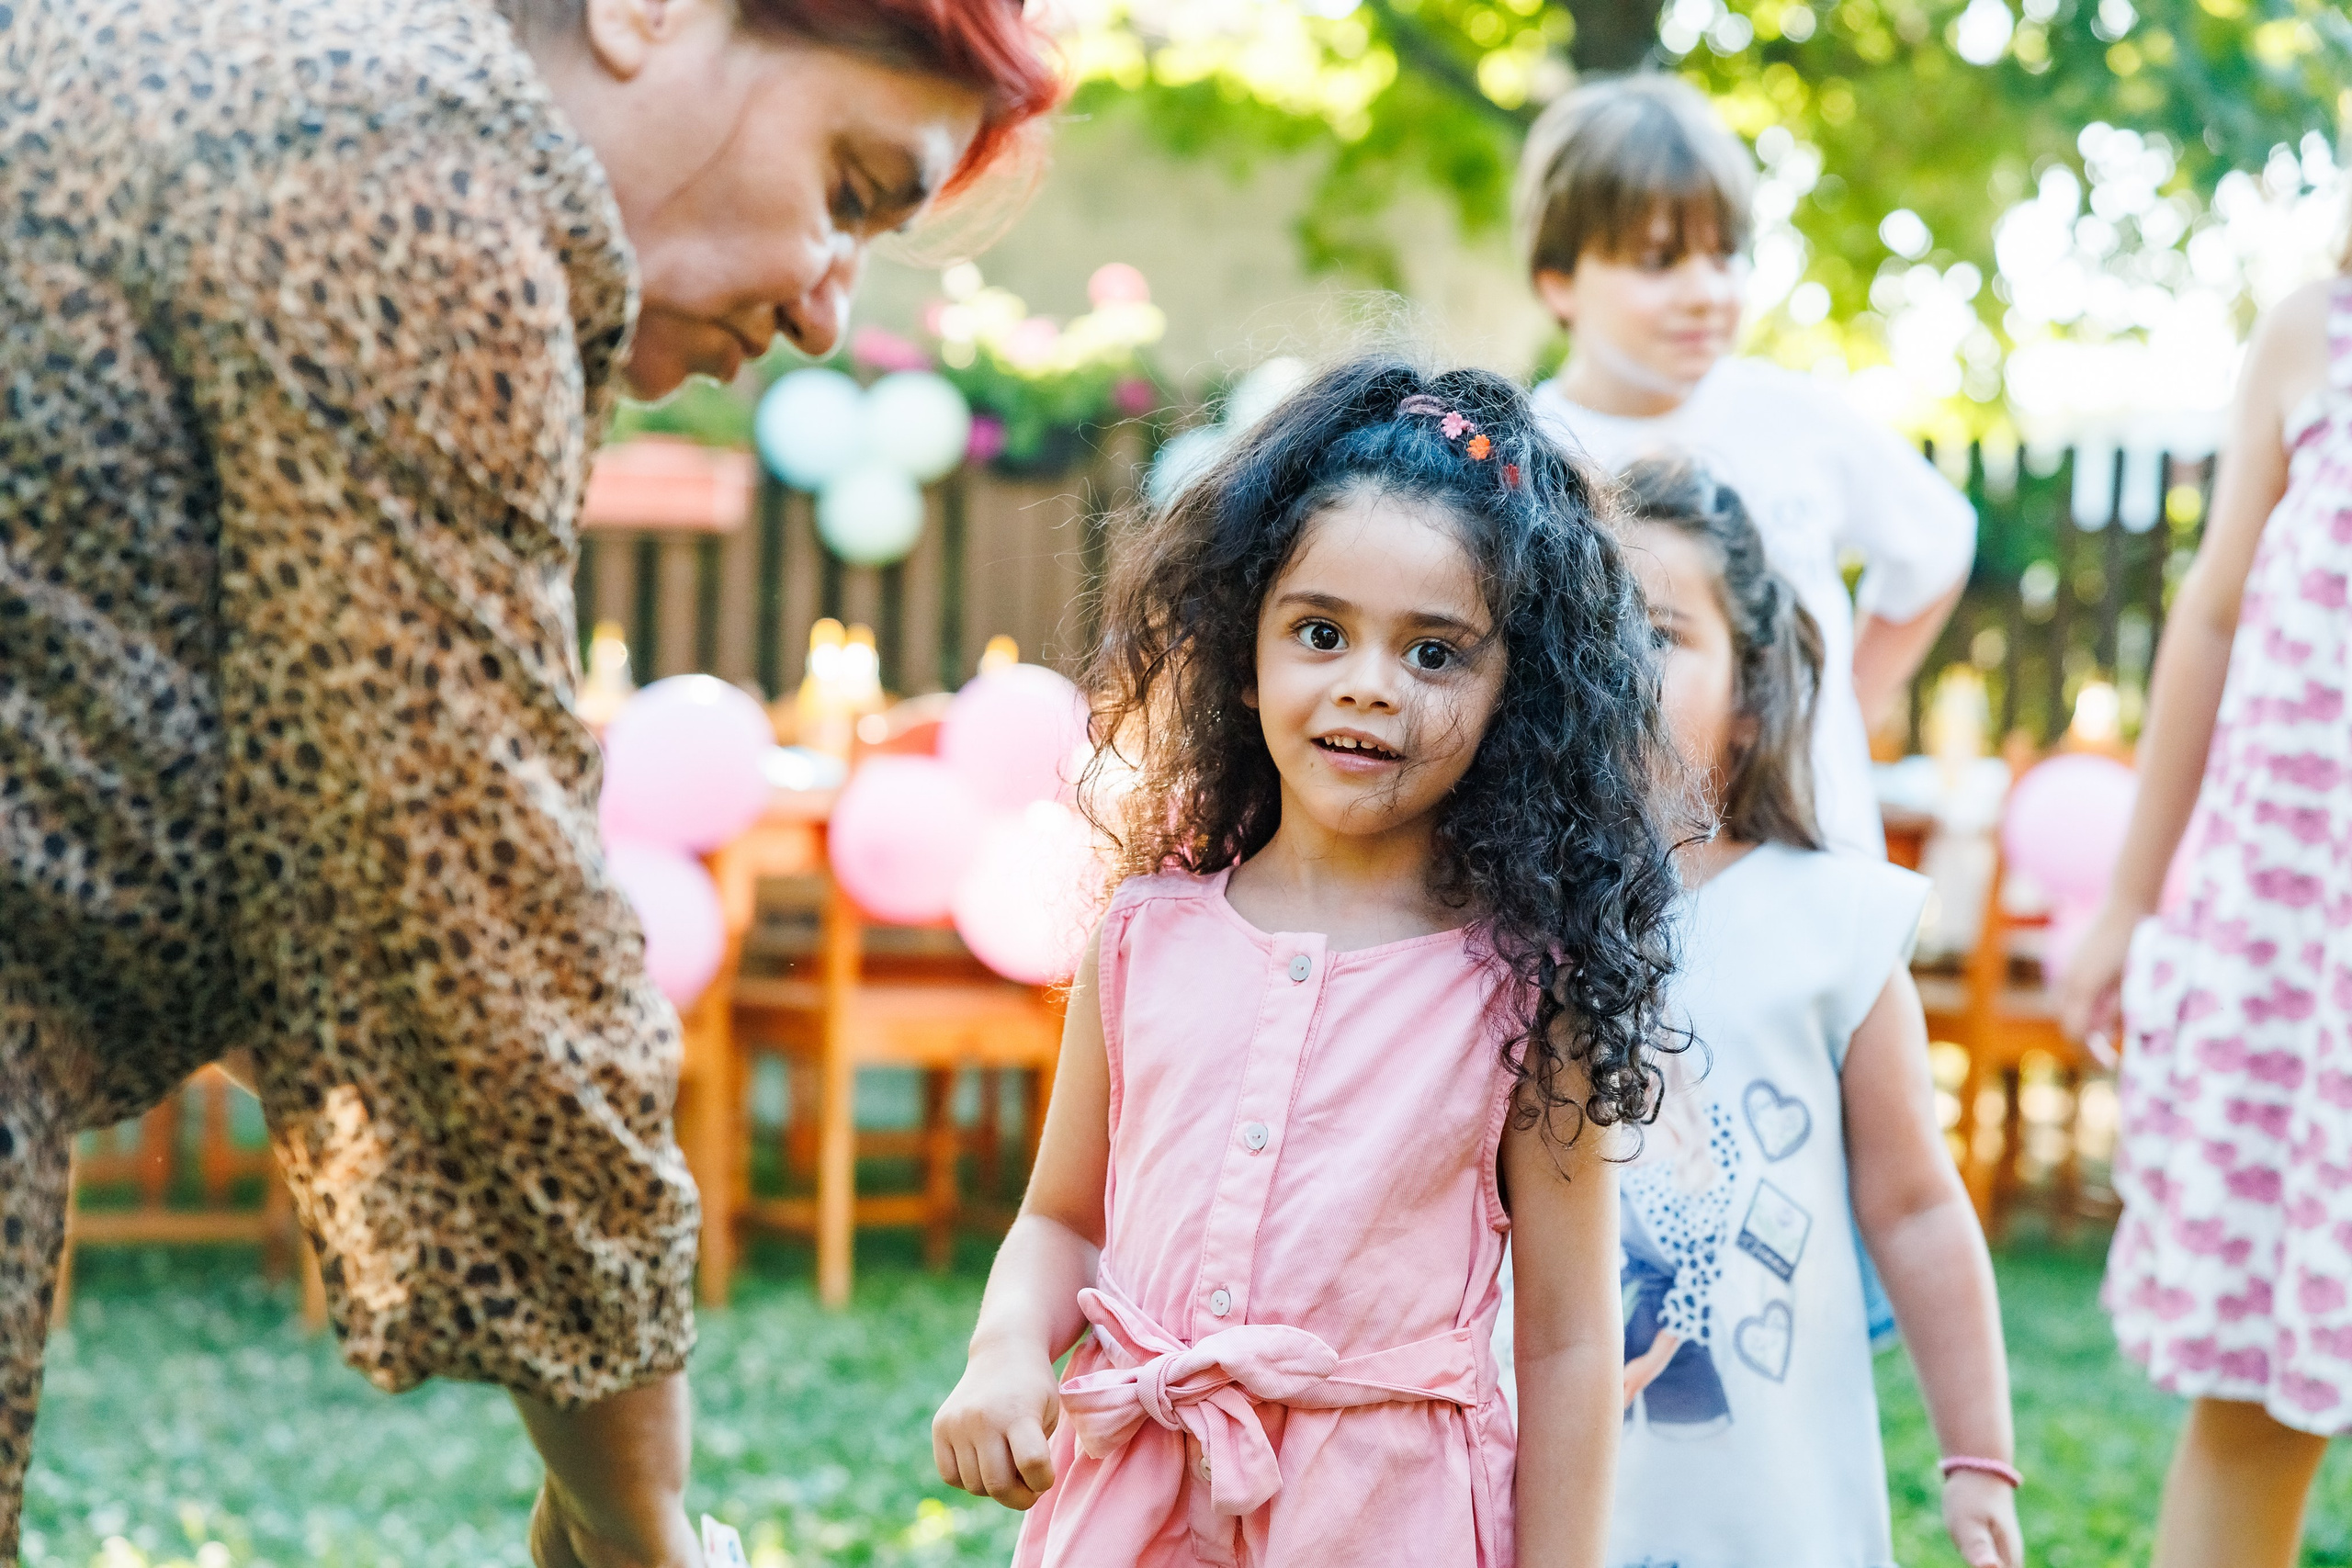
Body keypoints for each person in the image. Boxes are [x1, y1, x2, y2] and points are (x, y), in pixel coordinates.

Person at [0, 0, 1057, 1562]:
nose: (830, 313)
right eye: (846, 188)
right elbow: (473, 923)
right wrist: (640, 1526)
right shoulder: (414, 162)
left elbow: (297, 862)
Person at [930, 358, 1684, 1566]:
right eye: (1321, 631)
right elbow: (1062, 1217)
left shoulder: (1525, 987)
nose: (1369, 685)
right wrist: (1007, 1346)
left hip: (1391, 1521)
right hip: (1133, 1511)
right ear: (1245, 652)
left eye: (1436, 653)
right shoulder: (1143, 931)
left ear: (1514, 691)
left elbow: (1567, 1340)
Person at [1592, 458, 2020, 1568]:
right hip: (1538, 1497)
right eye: (1574, 622)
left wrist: (1977, 1454)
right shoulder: (1482, 925)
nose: (1606, 659)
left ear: (1749, 691)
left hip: (1772, 1509)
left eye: (1657, 628)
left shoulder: (1836, 923)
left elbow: (1917, 1206)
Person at [2056, 251, 2350, 1568]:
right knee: (2254, 1388)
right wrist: (2129, 896)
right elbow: (2216, 618)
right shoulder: (2315, 334)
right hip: (2295, 949)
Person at [1513, 75, 1975, 858]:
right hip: (1602, 882)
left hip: (1814, 856)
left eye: (1724, 255)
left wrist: (1842, 707)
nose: (1705, 292)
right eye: (1658, 260)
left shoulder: (1798, 422)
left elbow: (1937, 545)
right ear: (1558, 280)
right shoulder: (1526, 451)